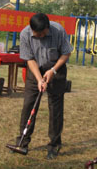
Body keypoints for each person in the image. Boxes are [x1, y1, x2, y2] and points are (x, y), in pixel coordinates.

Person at [6, 13, 72, 159]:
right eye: (37, 34)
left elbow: (67, 53)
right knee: (29, 105)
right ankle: (22, 141)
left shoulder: (58, 30)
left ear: (48, 28)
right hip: (35, 68)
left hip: (56, 68)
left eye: (43, 34)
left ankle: (54, 144)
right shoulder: (25, 34)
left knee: (55, 107)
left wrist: (53, 71)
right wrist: (39, 79)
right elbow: (29, 59)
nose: (40, 37)